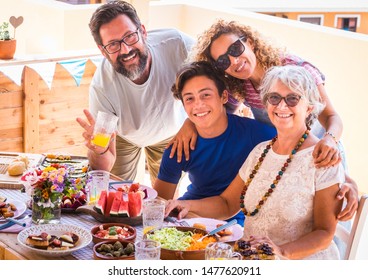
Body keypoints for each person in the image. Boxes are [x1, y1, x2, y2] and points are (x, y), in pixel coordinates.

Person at [170, 19, 358, 220]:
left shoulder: (295, 69)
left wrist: (332, 149)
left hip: (322, 149)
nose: (234, 61)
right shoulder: (238, 84)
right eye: (223, 61)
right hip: (286, 153)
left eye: (235, 48)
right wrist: (189, 123)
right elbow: (217, 113)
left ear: (249, 42)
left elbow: (332, 117)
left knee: (330, 219)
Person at [166, 65, 345, 259]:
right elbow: (227, 204)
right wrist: (187, 205)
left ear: (309, 107)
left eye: (292, 98)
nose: (281, 106)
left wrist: (280, 251)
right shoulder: (260, 151)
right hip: (254, 258)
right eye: (274, 98)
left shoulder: (323, 158)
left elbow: (325, 234)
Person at [76, 1, 195, 185]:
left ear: (143, 32)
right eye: (113, 45)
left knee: (165, 201)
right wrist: (98, 149)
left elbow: (217, 81)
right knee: (116, 190)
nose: (126, 49)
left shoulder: (179, 44)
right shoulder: (102, 87)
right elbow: (102, 168)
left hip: (171, 131)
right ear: (103, 51)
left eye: (130, 36)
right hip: (124, 136)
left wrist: (192, 123)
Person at [153, 61, 276, 226]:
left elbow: (294, 143)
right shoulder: (180, 147)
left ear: (224, 96)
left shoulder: (256, 134)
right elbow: (158, 205)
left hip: (238, 217)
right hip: (189, 215)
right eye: (189, 98)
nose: (198, 104)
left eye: (206, 95)